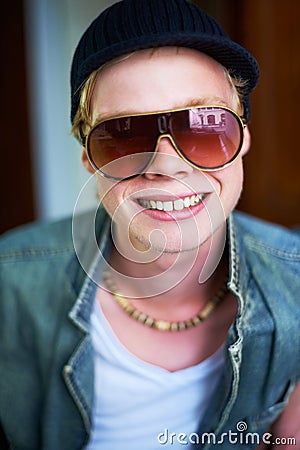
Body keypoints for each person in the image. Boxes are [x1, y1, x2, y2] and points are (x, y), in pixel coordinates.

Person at [0, 0, 299, 449]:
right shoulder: (10, 281)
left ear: (243, 139)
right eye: (122, 135)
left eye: (204, 124)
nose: (167, 164)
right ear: (88, 158)